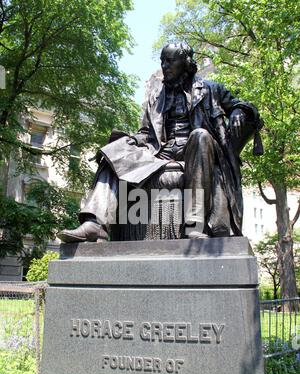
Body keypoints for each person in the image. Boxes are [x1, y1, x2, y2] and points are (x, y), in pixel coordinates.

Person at [58, 42, 263, 243]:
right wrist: (129, 141)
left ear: (185, 63)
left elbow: (245, 107)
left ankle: (194, 225)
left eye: (169, 61)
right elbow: (146, 132)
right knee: (113, 151)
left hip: (197, 149)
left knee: (200, 135)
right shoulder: (156, 96)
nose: (164, 66)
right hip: (161, 152)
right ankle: (96, 224)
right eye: (162, 61)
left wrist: (239, 111)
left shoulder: (211, 89)